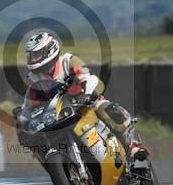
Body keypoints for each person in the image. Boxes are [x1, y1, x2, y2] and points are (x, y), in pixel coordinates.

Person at [21, 31, 148, 161]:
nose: (32, 59)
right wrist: (24, 116)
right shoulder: (32, 78)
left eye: (36, 55)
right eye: (30, 55)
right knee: (36, 138)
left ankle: (134, 147)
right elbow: (31, 101)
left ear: (49, 51)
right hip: (57, 115)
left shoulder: (69, 61)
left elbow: (90, 79)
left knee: (108, 109)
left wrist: (88, 95)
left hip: (84, 103)